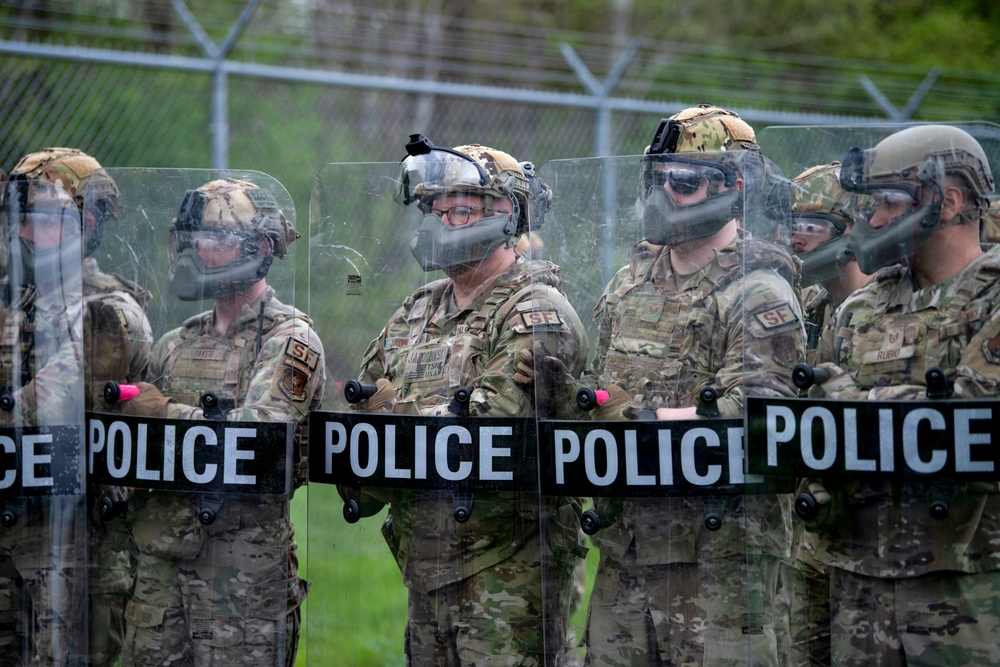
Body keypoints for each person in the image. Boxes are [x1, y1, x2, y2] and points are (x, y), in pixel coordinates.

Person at [349, 137, 589, 665]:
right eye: (436, 209)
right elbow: (358, 417)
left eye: (460, 211)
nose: (441, 224)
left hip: (508, 574)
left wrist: (392, 418)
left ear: (509, 215)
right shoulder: (416, 310)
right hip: (426, 567)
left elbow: (490, 429)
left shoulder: (535, 308)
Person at [582, 104, 804, 666]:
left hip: (720, 566)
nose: (663, 197)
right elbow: (594, 389)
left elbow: (757, 419)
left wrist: (640, 424)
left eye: (682, 182)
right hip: (626, 552)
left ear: (734, 187)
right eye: (657, 180)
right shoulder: (629, 284)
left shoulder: (758, 290)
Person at [804, 124, 1000, 665]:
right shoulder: (861, 309)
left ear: (950, 200)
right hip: (858, 582)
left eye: (891, 201)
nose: (876, 220)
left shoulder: (992, 298)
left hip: (963, 592)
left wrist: (852, 407)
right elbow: (813, 427)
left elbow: (967, 423)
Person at [117, 177, 325, 666]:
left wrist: (163, 415)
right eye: (196, 240)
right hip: (161, 568)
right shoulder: (175, 342)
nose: (201, 251)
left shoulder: (289, 339)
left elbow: (258, 437)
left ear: (260, 247)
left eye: (218, 239)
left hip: (241, 577)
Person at [0, 148, 153, 666]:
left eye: (38, 218)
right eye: (17, 216)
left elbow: (51, 399)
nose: (22, 231)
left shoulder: (109, 311)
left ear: (85, 223)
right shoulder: (11, 306)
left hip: (77, 548)